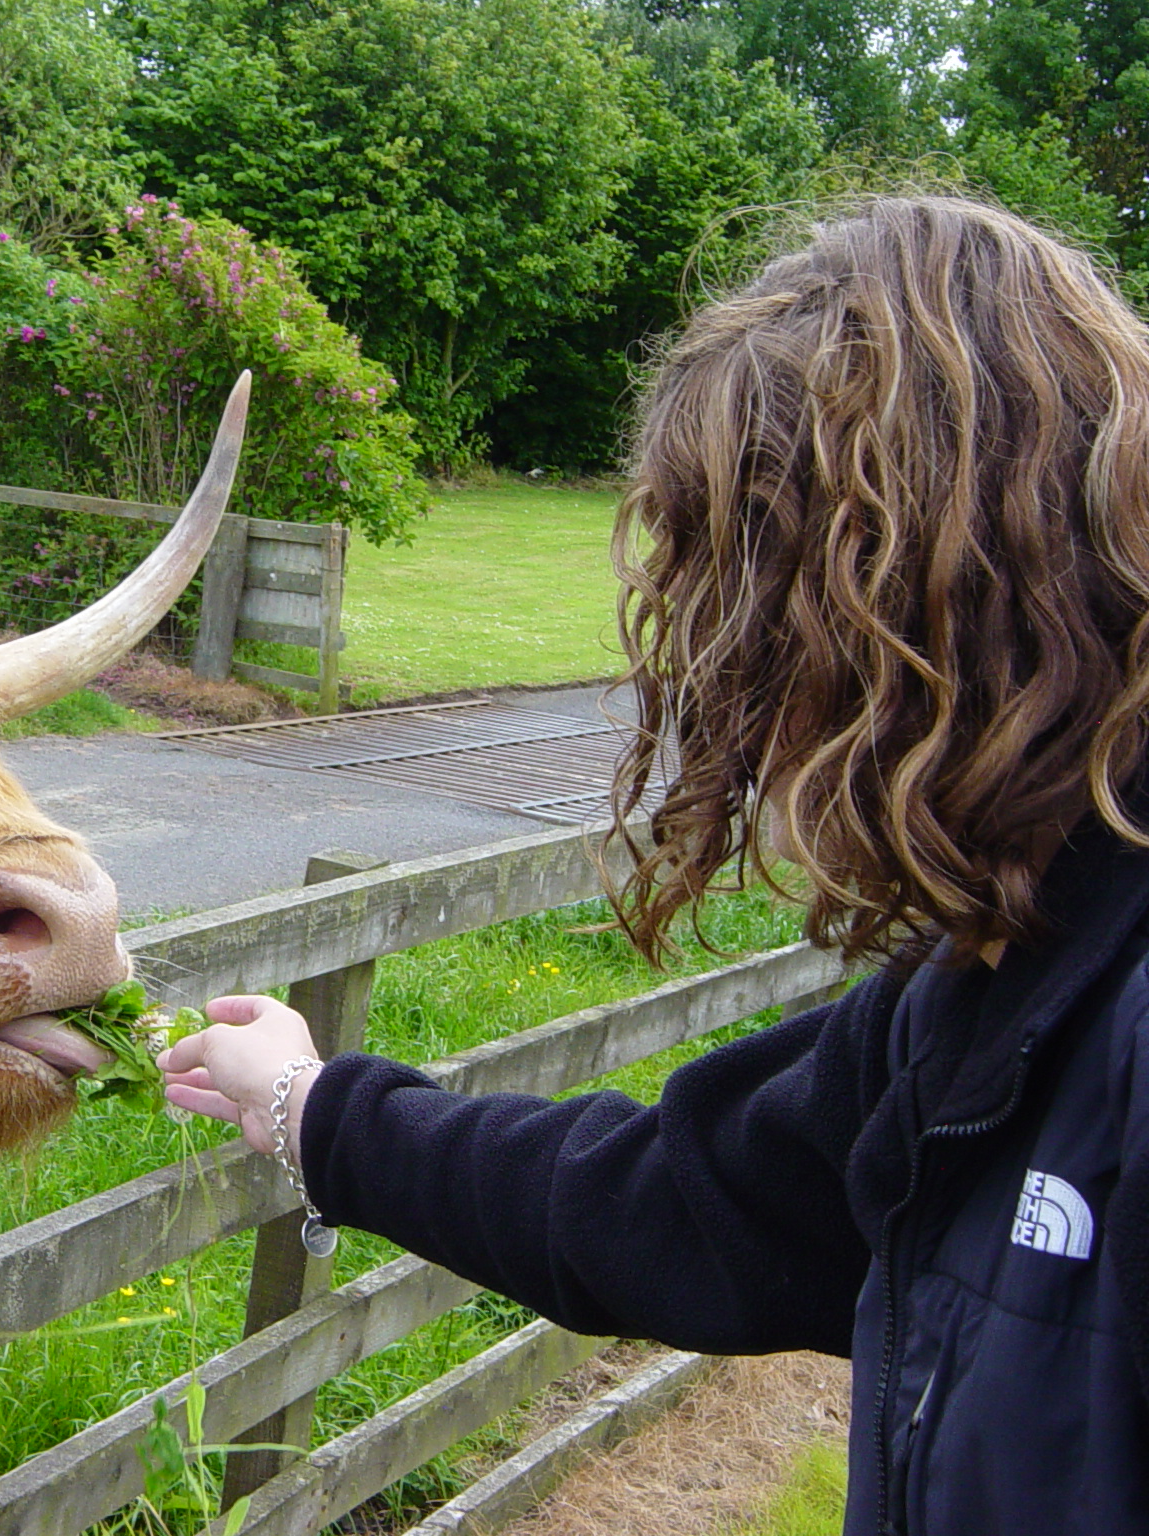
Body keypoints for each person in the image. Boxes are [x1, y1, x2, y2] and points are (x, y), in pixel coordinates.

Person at [157, 195, 1149, 1536]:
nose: (745, 740)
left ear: (908, 629)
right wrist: (313, 1109)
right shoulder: (994, 983)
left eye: (760, 652)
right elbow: (666, 1205)